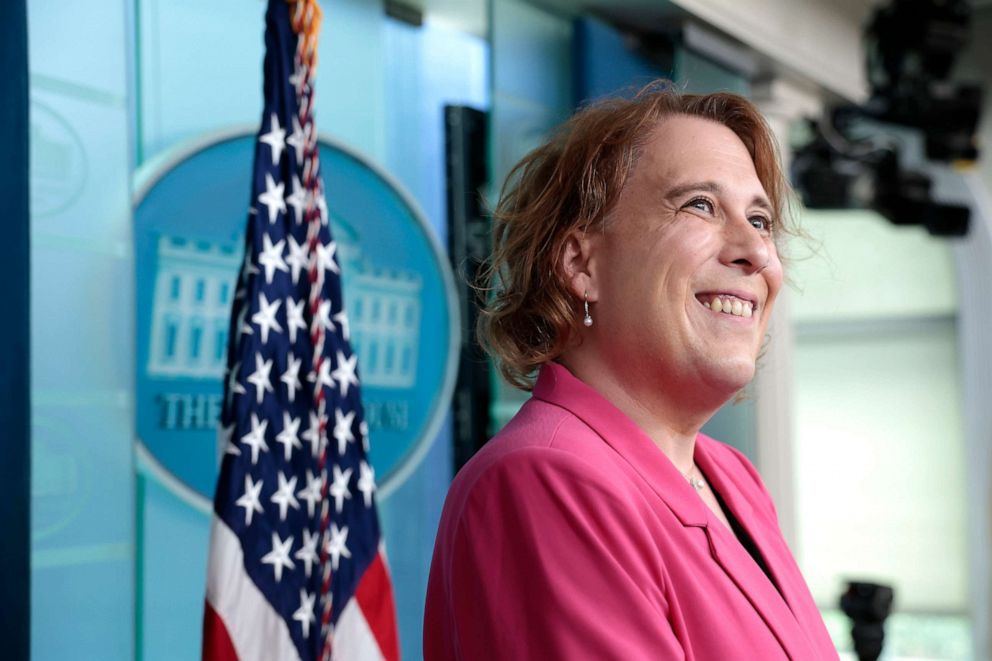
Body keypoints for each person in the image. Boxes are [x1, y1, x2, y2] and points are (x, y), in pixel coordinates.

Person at [424, 82, 838, 660]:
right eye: (701, 205)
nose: (756, 252)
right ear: (580, 263)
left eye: (761, 219)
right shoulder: (544, 479)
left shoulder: (734, 479)